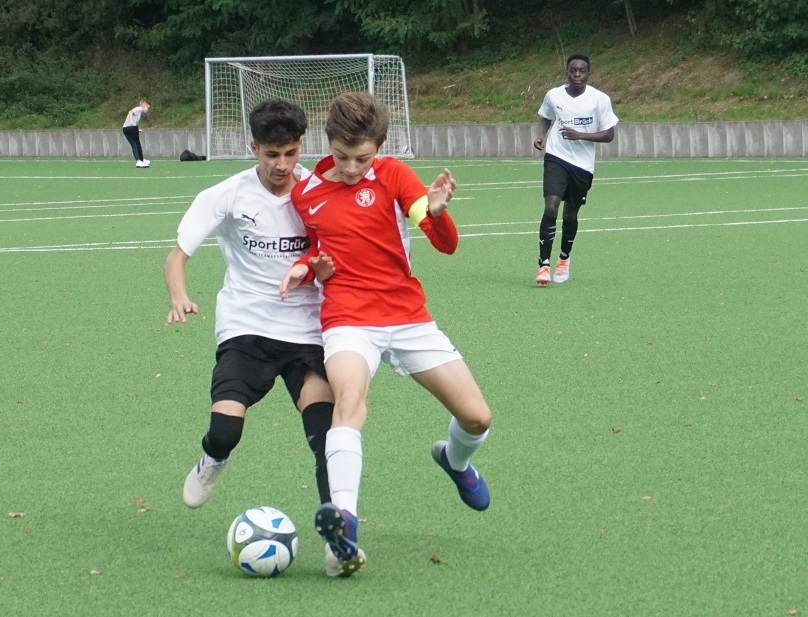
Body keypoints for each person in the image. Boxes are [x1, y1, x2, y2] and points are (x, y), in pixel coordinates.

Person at [280, 92, 493, 578]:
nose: (352, 168)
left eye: (363, 158)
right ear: (328, 143)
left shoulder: (394, 175)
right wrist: (307, 267)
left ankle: (456, 462)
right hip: (348, 317)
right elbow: (317, 248)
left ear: (379, 148)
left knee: (477, 417)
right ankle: (345, 524)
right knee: (349, 400)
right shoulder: (306, 192)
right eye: (342, 156)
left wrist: (435, 212)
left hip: (407, 316)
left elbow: (446, 244)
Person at [164, 99, 340, 573]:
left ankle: (337, 539)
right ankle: (212, 459)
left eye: (291, 153)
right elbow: (176, 257)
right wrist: (179, 296)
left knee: (326, 439)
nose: (282, 165)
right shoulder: (226, 195)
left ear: (301, 146)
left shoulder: (318, 193)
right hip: (246, 326)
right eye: (272, 154)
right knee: (226, 431)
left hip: (307, 331)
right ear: (253, 148)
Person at [533, 54, 618, 285]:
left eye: (582, 71)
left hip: (582, 166)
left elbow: (609, 134)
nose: (577, 75)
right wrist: (541, 136)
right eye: (573, 71)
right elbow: (546, 117)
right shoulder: (554, 95)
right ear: (567, 72)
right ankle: (543, 265)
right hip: (556, 157)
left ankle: (563, 259)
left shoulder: (599, 100)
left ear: (589, 73)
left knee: (570, 214)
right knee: (551, 206)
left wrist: (580, 135)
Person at [123, 99, 150, 168]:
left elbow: (133, 120)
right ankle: (139, 161)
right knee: (135, 144)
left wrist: (137, 129)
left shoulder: (139, 112)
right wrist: (131, 122)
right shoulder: (139, 108)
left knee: (136, 144)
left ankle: (141, 160)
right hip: (130, 128)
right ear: (144, 106)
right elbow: (130, 112)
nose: (147, 109)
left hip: (127, 128)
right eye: (147, 107)